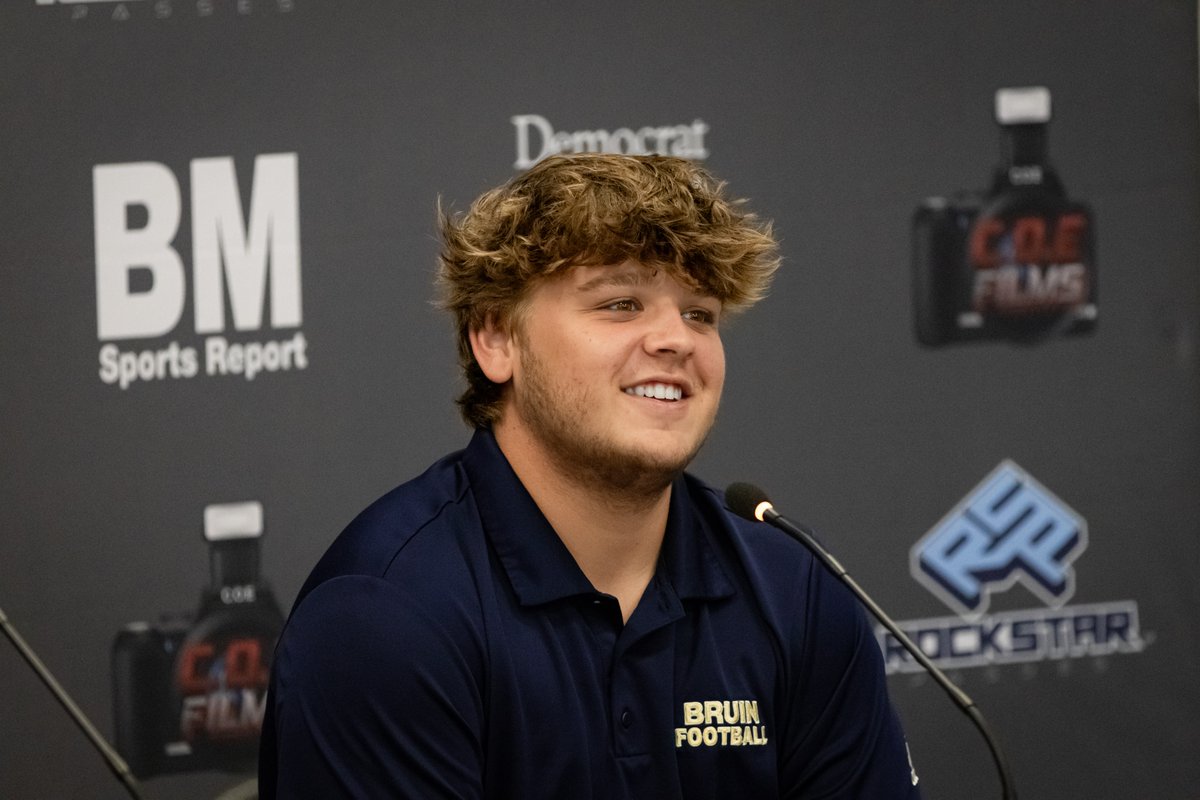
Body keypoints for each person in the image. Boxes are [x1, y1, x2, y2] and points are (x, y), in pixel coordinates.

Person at [258, 154, 921, 798]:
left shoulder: (796, 591)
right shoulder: (383, 618)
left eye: (700, 313)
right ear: (496, 338)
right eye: (620, 304)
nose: (677, 339)